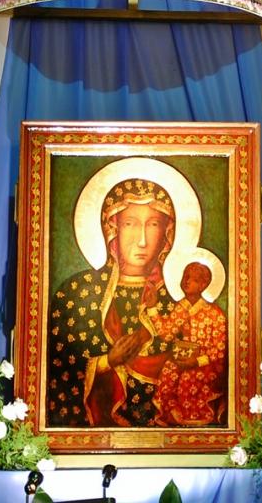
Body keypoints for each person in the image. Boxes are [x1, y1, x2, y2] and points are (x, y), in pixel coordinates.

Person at [46, 178, 178, 428]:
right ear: (112, 229)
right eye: (130, 223)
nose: (142, 240)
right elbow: (57, 367)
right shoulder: (77, 293)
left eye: (153, 224)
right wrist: (107, 361)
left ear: (167, 234)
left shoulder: (173, 305)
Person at [142, 261, 227, 426]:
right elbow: (166, 334)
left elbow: (219, 350)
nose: (186, 281)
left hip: (207, 364)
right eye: (185, 276)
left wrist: (196, 361)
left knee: (189, 379)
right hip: (185, 359)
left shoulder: (215, 313)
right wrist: (152, 308)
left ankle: (192, 422)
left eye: (193, 279)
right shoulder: (181, 308)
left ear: (203, 285)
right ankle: (172, 419)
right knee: (169, 371)